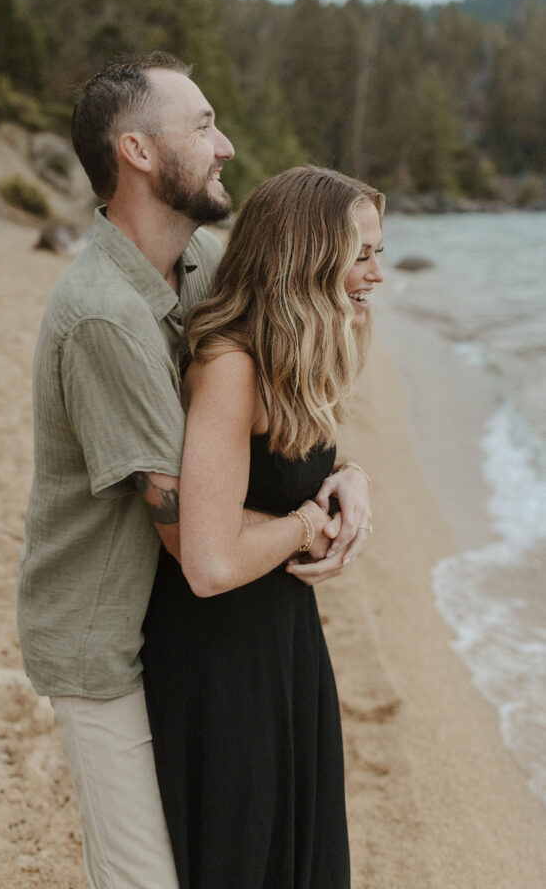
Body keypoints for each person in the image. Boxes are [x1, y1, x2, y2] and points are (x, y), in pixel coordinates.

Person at [16, 52, 372, 889]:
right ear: (137, 152)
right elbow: (196, 544)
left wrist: (348, 469)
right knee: (144, 877)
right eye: (204, 125)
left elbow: (279, 418)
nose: (227, 147)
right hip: (106, 644)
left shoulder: (203, 263)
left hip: (179, 635)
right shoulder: (102, 315)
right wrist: (306, 525)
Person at [141, 165, 385, 889]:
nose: (375, 274)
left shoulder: (300, 349)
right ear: (304, 258)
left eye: (379, 252)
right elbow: (209, 563)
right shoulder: (230, 365)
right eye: (360, 255)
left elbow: (291, 467)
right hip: (221, 659)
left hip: (284, 640)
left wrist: (353, 476)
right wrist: (312, 521)